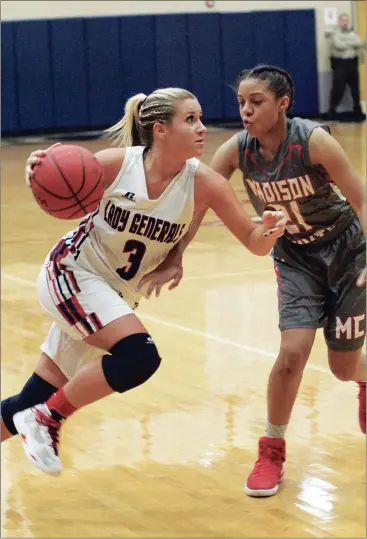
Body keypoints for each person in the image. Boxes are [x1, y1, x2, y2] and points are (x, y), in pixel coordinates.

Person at [1, 87, 288, 476]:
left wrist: (269, 230)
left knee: (33, 397)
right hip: (72, 273)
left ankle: (39, 413)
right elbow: (58, 178)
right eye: (191, 119)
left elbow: (255, 245)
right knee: (140, 356)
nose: (203, 128)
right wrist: (38, 168)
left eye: (201, 117)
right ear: (160, 129)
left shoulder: (205, 184)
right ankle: (48, 420)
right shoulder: (117, 165)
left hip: (114, 296)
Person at [142, 65, 366, 497]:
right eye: (242, 102)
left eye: (257, 101)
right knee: (292, 354)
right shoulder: (237, 150)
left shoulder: (313, 141)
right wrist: (176, 254)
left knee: (341, 367)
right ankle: (271, 450)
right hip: (296, 258)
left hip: (345, 253)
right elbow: (200, 201)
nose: (246, 110)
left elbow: (360, 198)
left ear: (282, 104)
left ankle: (363, 378)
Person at [328, 12, 366, 121]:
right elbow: (338, 45)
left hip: (352, 63)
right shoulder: (334, 33)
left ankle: (357, 110)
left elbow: (359, 42)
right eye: (343, 20)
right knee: (338, 88)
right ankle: (332, 110)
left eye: (346, 20)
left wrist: (348, 42)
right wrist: (352, 43)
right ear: (339, 21)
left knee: (355, 88)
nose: (345, 22)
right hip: (340, 64)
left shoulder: (352, 33)